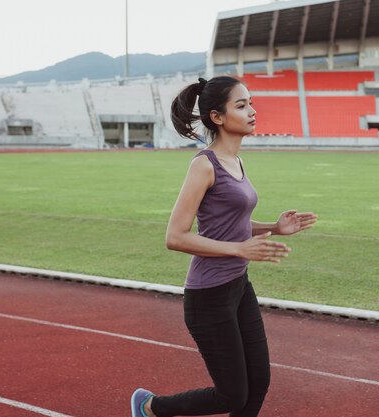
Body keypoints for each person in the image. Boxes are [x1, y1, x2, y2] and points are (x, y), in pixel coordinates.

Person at [131, 76, 318, 417]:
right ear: (217, 117)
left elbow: (230, 225)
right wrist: (239, 249)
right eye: (242, 105)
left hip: (238, 287)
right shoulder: (204, 165)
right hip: (208, 297)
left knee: (258, 381)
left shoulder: (237, 162)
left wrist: (274, 228)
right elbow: (175, 237)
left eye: (251, 103)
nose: (252, 111)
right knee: (232, 395)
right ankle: (149, 407)